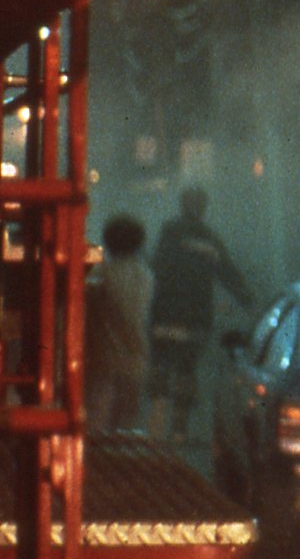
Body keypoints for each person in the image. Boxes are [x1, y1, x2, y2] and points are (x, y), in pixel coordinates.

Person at [146, 187, 255, 443]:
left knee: (161, 365)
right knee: (187, 368)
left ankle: (156, 427)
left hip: (164, 313)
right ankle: (179, 429)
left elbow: (155, 267)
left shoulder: (168, 233)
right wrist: (247, 298)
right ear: (204, 208)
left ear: (181, 205)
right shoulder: (210, 240)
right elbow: (227, 272)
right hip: (195, 317)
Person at [86, 214, 152, 432]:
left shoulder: (100, 274)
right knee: (126, 419)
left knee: (99, 417)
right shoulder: (145, 275)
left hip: (102, 357)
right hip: (136, 356)